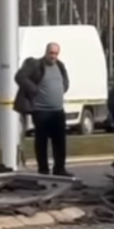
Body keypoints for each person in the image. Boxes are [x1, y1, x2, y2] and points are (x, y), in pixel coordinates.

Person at [14, 42, 72, 176]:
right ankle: (43, 169)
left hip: (58, 111)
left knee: (60, 141)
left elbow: (65, 81)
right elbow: (20, 77)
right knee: (42, 141)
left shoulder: (60, 65)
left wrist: (63, 87)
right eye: (51, 53)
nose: (53, 56)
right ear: (46, 52)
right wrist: (33, 89)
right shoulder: (36, 65)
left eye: (56, 53)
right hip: (41, 111)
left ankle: (59, 169)